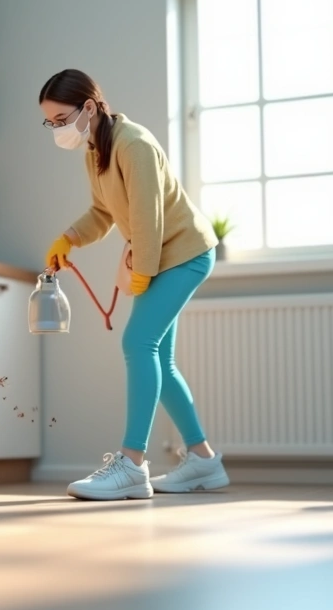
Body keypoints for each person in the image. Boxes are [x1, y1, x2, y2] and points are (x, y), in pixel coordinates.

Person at [39, 68, 230, 501]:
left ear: (88, 107)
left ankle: (131, 465)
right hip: (161, 255)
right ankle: (203, 460)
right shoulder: (96, 149)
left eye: (60, 118)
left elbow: (148, 219)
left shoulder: (134, 144)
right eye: (49, 123)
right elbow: (104, 213)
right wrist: (68, 237)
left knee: (137, 344)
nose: (57, 129)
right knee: (159, 356)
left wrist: (141, 271)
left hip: (185, 253)